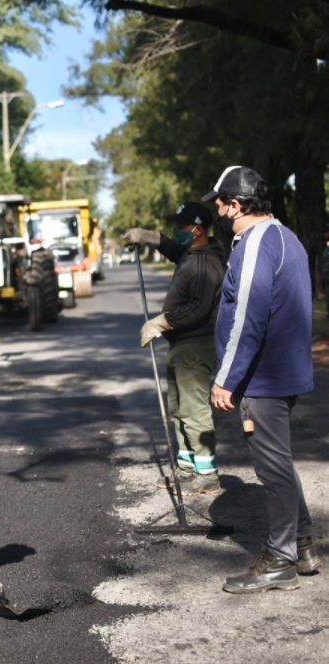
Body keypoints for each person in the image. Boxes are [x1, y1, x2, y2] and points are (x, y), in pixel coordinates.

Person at [203, 166, 321, 593]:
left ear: (235, 205)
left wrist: (226, 378)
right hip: (282, 371)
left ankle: (280, 561)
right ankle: (301, 546)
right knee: (280, 464)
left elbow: (247, 316)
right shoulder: (285, 237)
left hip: (262, 377)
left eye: (219, 203)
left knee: (272, 471)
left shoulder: (254, 243)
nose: (217, 211)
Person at [121, 202, 226, 495]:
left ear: (198, 230)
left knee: (194, 411)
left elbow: (198, 308)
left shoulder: (205, 263)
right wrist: (150, 238)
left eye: (181, 226)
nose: (176, 230)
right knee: (179, 410)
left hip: (196, 345)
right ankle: (187, 468)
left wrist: (161, 322)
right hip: (182, 345)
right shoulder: (193, 253)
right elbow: (176, 250)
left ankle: (207, 475)